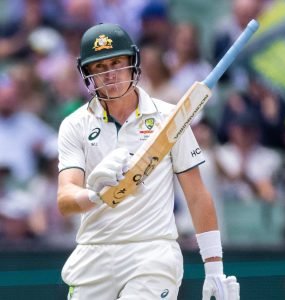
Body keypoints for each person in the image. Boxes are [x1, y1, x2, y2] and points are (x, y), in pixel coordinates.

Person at [57, 23, 239, 300]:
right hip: (94, 250)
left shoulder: (170, 119)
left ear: (133, 63)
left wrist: (214, 268)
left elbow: (197, 195)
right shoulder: (74, 125)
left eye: (116, 62)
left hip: (152, 251)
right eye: (99, 67)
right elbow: (65, 198)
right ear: (88, 74)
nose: (110, 74)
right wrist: (95, 196)